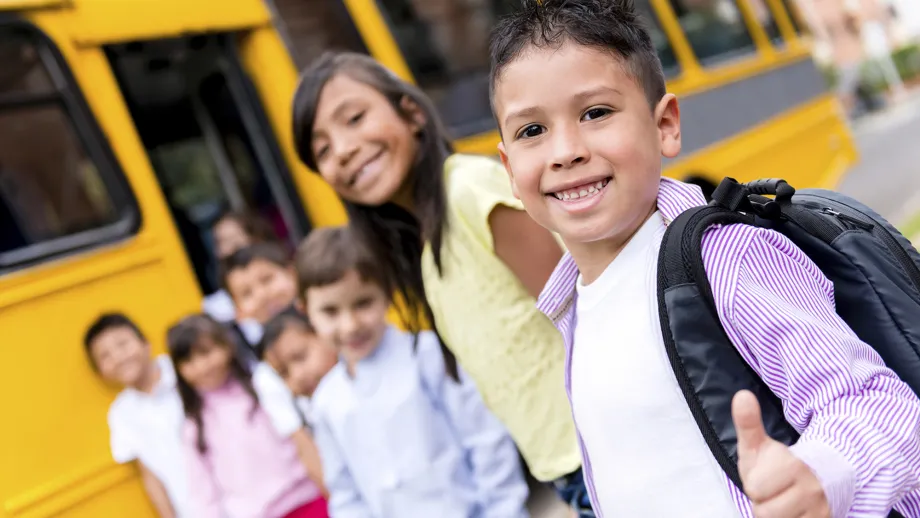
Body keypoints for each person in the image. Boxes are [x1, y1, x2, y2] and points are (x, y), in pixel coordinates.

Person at [489, 1, 920, 517]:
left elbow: (877, 404)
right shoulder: (573, 307)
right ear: (509, 168)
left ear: (666, 124)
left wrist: (822, 476)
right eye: (531, 131)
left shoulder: (724, 260)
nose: (565, 150)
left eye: (596, 113)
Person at [292, 51, 587, 514]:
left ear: (411, 114)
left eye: (354, 118)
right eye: (322, 149)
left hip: (600, 448)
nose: (343, 149)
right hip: (566, 466)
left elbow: (584, 314)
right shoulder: (426, 250)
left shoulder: (467, 191)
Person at [296, 225, 530, 517]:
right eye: (330, 311)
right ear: (305, 310)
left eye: (363, 303)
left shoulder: (427, 355)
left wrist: (502, 511)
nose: (350, 325)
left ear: (388, 293)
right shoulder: (326, 401)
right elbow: (345, 493)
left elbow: (485, 440)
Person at [167, 314, 327, 518]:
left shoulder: (263, 386)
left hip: (308, 500)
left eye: (206, 352)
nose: (201, 366)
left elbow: (305, 442)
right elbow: (205, 497)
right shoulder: (194, 428)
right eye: (188, 361)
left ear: (226, 345)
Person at [84, 313, 188, 518]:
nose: (118, 357)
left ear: (145, 343)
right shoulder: (121, 414)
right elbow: (149, 475)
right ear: (100, 373)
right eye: (105, 356)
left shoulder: (184, 369)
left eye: (122, 344)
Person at [261, 310, 339, 422]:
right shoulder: (318, 417)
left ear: (322, 333)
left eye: (300, 356)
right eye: (283, 373)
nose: (297, 375)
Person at [204, 210, 279, 325]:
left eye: (267, 280)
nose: (228, 249)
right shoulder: (214, 308)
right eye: (246, 293)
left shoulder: (281, 273)